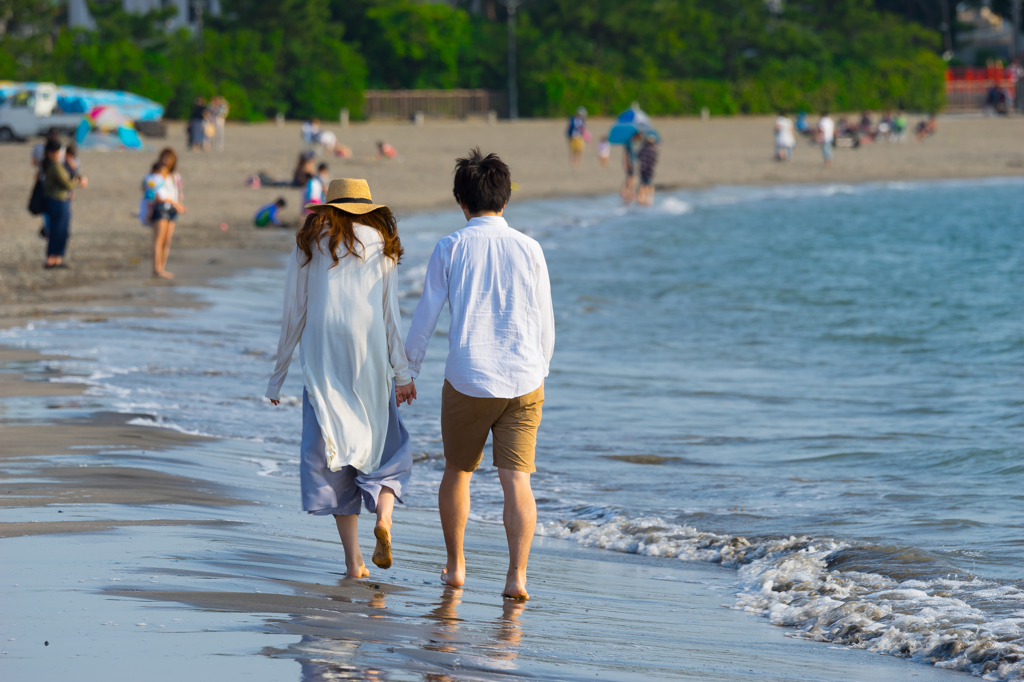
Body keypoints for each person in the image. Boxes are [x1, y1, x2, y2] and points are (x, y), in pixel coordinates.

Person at [405, 149, 555, 600]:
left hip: (469, 376)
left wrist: (406, 371)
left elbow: (425, 316)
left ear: (461, 200)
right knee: (518, 479)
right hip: (524, 378)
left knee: (458, 471)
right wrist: (539, 369)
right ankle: (517, 577)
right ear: (505, 200)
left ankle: (455, 567)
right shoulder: (531, 248)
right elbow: (545, 321)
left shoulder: (450, 246)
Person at [266, 178, 417, 579]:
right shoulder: (381, 243)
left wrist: (276, 378)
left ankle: (355, 563)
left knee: (334, 454)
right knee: (387, 449)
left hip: (322, 360)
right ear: (366, 207)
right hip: (368, 358)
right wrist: (402, 373)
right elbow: (390, 318)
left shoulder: (309, 242)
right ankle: (383, 518)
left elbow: (293, 313)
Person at [41, 138, 86, 269]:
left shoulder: (53, 164)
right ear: (51, 152)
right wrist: (77, 181)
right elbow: (66, 183)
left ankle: (56, 259)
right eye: (57, 151)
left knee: (59, 230)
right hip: (57, 200)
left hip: (57, 200)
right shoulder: (54, 166)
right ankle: (52, 259)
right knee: (58, 230)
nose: (59, 154)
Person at [145, 148, 186, 279]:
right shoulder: (155, 175)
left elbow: (177, 192)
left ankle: (162, 267)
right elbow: (155, 195)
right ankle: (156, 268)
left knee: (167, 240)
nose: (166, 160)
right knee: (159, 239)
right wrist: (175, 204)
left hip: (172, 209)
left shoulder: (174, 176)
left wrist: (179, 204)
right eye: (164, 157)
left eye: (169, 158)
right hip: (160, 208)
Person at [637, 134, 659, 206]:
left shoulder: (643, 148)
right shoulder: (653, 150)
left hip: (643, 168)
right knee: (649, 184)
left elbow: (638, 156)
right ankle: (649, 198)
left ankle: (641, 199)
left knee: (643, 184)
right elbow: (654, 160)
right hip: (650, 169)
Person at [621, 131, 643, 202]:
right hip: (630, 162)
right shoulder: (630, 143)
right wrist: (626, 163)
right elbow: (626, 154)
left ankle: (629, 192)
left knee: (631, 178)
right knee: (632, 178)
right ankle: (626, 192)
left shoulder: (634, 143)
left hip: (633, 162)